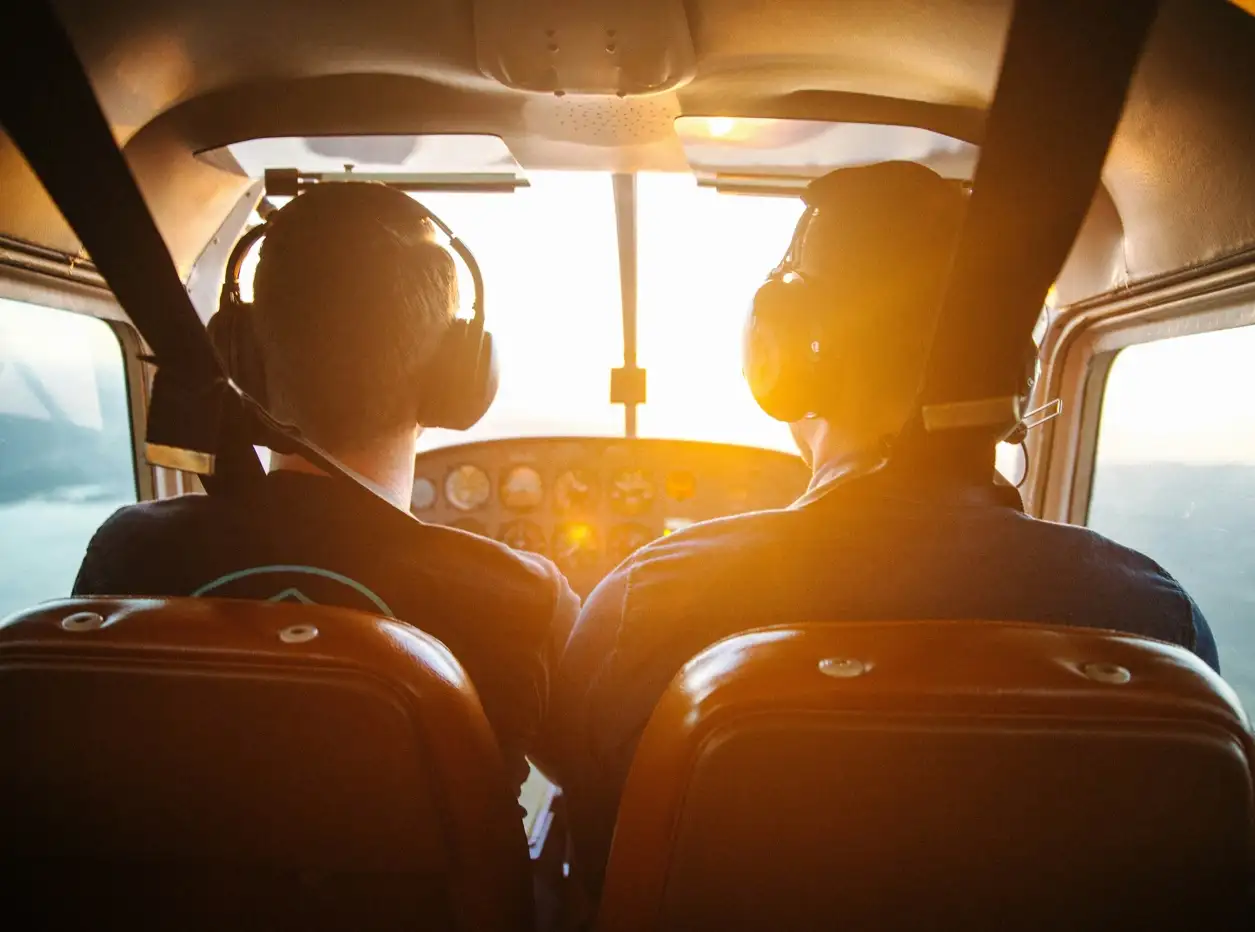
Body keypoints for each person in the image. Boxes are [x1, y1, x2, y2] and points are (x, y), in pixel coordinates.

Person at [543, 160, 1219, 896]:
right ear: (1018, 375)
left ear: (782, 360)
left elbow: (592, 832)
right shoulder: (1159, 626)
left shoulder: (643, 609)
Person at [73, 182, 579, 795]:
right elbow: (602, 793)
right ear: (458, 379)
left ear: (243, 361)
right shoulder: (519, 598)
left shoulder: (128, 556)